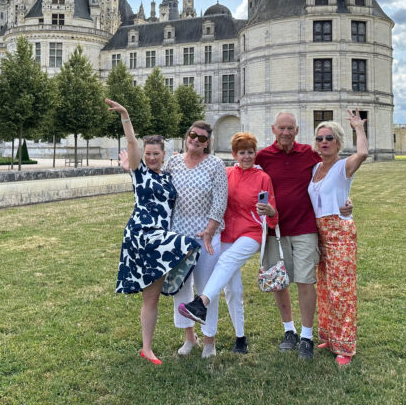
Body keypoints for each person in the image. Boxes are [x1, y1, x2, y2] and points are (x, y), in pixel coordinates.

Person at [106, 98, 201, 365]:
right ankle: (148, 347)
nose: (150, 157)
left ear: (164, 154)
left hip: (160, 237)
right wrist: (125, 115)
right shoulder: (139, 173)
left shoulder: (168, 176)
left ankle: (156, 345)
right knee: (188, 244)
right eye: (147, 153)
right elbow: (132, 144)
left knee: (152, 295)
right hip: (143, 234)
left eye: (155, 153)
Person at [254, 112, 352, 361]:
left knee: (306, 282)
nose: (285, 132)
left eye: (290, 128)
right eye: (281, 128)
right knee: (279, 282)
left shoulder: (309, 154)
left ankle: (307, 336)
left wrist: (346, 200)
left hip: (305, 228)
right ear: (274, 129)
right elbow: (245, 175)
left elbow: (336, 172)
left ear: (296, 131)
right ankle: (290, 331)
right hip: (275, 230)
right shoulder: (263, 156)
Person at [179, 132, 278, 354]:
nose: (246, 156)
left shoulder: (263, 178)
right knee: (233, 288)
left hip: (251, 234)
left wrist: (270, 211)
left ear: (255, 154)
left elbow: (273, 216)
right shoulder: (225, 174)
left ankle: (201, 302)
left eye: (250, 152)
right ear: (234, 154)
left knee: (225, 260)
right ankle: (240, 338)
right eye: (242, 152)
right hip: (226, 235)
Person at [164, 121, 228, 358]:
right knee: (181, 289)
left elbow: (220, 201)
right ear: (187, 136)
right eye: (193, 135)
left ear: (208, 143)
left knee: (205, 292)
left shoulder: (215, 165)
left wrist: (210, 230)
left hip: (206, 239)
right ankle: (190, 337)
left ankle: (209, 342)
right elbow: (166, 196)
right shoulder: (173, 162)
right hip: (179, 238)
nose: (196, 140)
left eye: (202, 138)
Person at [309, 110, 368, 366]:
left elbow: (363, 154)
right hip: (319, 232)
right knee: (324, 288)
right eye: (320, 137)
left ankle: (345, 346)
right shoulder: (314, 168)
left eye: (329, 138)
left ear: (339, 143)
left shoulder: (343, 166)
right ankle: (329, 336)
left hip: (340, 231)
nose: (324, 141)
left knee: (341, 290)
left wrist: (359, 128)